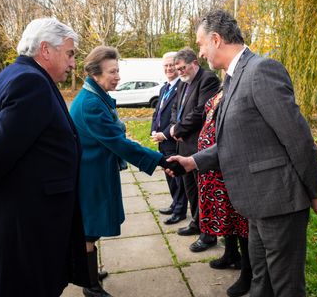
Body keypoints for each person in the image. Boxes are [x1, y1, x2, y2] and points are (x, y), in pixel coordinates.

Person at [167, 9, 317, 297]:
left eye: (201, 43)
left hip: (280, 203)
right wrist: (193, 161)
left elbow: (300, 141)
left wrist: (314, 194)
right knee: (261, 282)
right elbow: (234, 140)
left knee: (286, 287)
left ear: (216, 39)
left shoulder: (261, 71)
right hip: (254, 203)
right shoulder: (231, 78)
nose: (200, 51)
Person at [0, 18, 90, 296]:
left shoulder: (13, 74)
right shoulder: (31, 83)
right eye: (69, 53)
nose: (73, 63)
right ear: (45, 50)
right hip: (27, 226)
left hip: (24, 217)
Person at [69, 45, 184, 297]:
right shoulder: (90, 104)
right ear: (95, 74)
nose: (118, 76)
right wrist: (162, 161)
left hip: (96, 171)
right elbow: (120, 144)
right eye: (112, 72)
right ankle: (90, 285)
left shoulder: (94, 96)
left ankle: (89, 273)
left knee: (93, 226)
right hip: (91, 176)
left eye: (118, 70)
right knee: (88, 230)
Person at [197, 88, 251, 297]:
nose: (201, 52)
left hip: (229, 166)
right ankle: (230, 253)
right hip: (211, 167)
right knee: (224, 214)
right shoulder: (223, 86)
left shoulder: (243, 86)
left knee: (239, 218)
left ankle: (248, 271)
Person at [168, 47, 220, 252]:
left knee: (203, 190)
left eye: (183, 68)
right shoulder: (183, 83)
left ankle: (209, 235)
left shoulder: (208, 79)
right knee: (190, 189)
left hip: (199, 147)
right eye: (177, 69)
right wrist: (174, 129)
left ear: (194, 64)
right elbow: (175, 109)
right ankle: (197, 223)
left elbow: (201, 111)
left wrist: (178, 129)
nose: (180, 72)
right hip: (183, 143)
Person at [151, 52, 188, 225]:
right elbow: (158, 112)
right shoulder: (164, 87)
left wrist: (164, 133)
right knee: (169, 175)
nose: (168, 68)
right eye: (165, 66)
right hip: (162, 140)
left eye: (171, 65)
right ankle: (175, 203)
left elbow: (178, 118)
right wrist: (154, 130)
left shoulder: (182, 86)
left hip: (173, 139)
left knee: (178, 176)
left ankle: (180, 210)